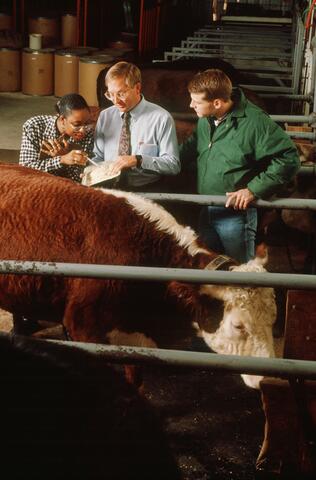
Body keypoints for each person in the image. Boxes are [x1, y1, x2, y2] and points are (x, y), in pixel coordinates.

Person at [180, 69, 300, 263]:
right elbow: (188, 150)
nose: (190, 105)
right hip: (205, 208)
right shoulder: (206, 120)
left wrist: (253, 190)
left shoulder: (255, 122)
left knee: (240, 273)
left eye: (196, 101)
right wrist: (148, 163)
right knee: (211, 267)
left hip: (235, 215)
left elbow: (289, 158)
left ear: (217, 103)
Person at [92, 61, 180, 192]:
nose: (115, 101)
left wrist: (138, 160)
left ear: (137, 88)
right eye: (110, 94)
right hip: (110, 189)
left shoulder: (161, 118)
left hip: (147, 191)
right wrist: (92, 173)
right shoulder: (105, 116)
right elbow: (98, 157)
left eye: (121, 93)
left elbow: (173, 165)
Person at [19, 93, 94, 183]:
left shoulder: (89, 134)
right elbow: (25, 169)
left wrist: (65, 160)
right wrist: (62, 159)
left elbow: (79, 177)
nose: (83, 130)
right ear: (62, 120)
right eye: (77, 125)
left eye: (86, 123)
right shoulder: (34, 126)